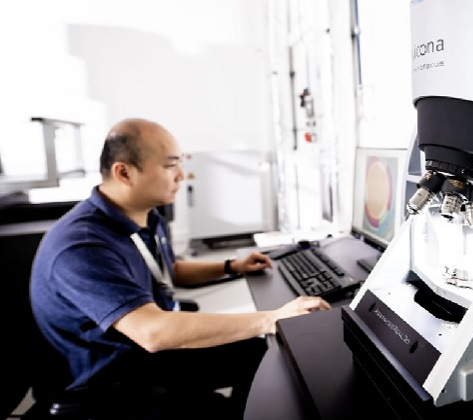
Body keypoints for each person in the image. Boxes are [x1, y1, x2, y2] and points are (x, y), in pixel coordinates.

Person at [29, 118, 331, 419]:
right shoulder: (82, 245)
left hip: (143, 352)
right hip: (105, 382)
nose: (181, 175)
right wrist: (272, 318)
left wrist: (231, 266)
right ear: (124, 172)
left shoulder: (144, 215)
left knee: (257, 352)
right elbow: (151, 332)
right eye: (170, 165)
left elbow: (165, 270)